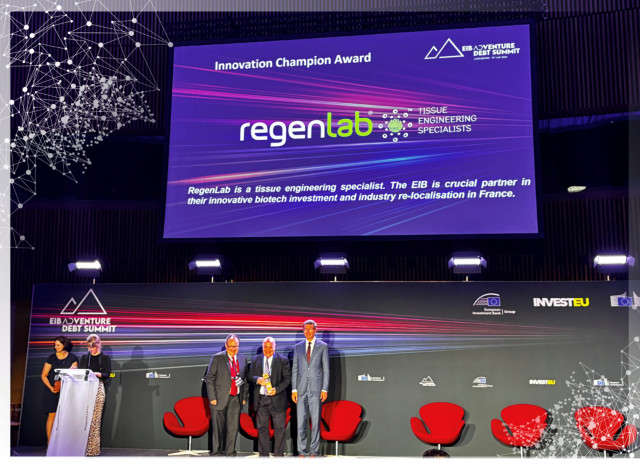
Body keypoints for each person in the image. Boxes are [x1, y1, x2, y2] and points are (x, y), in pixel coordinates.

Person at [205, 334, 248, 456]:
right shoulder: (217, 358)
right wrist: (212, 397)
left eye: (236, 346)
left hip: (236, 399)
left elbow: (244, 380)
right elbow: (209, 378)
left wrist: (244, 397)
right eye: (231, 346)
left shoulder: (243, 359)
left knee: (233, 429)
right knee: (217, 429)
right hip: (218, 399)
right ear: (226, 345)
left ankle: (230, 454)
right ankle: (216, 453)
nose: (233, 349)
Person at [291, 319, 329, 457]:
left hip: (316, 389)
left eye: (310, 328)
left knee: (315, 423)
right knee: (300, 423)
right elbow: (295, 369)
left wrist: (324, 389)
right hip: (300, 390)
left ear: (315, 330)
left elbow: (326, 370)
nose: (307, 331)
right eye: (305, 329)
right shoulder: (298, 347)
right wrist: (294, 390)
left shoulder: (323, 346)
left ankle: (314, 451)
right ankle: (301, 451)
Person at [249, 337, 291, 456]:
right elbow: (249, 376)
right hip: (261, 399)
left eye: (270, 347)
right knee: (262, 429)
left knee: (279, 430)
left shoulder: (283, 360)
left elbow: (287, 379)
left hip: (277, 399)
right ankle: (264, 456)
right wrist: (258, 379)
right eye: (265, 347)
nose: (268, 350)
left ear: (275, 346)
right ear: (262, 347)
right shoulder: (255, 359)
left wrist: (276, 389)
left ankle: (278, 456)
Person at [78, 334, 112, 456]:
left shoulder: (105, 358)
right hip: (85, 388)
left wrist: (99, 374)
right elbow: (81, 373)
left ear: (98, 344)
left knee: (95, 420)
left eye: (93, 346)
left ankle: (93, 448)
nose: (91, 349)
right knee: (84, 419)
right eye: (89, 347)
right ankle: (81, 446)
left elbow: (108, 374)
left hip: (98, 388)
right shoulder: (84, 358)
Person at [41, 335, 78, 443]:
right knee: (52, 414)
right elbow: (44, 375)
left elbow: (74, 375)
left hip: (67, 391)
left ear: (64, 345)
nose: (55, 347)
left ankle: (63, 443)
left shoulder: (72, 358)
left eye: (58, 345)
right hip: (53, 390)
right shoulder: (51, 358)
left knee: (66, 416)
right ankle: (49, 442)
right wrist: (51, 388)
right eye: (55, 345)